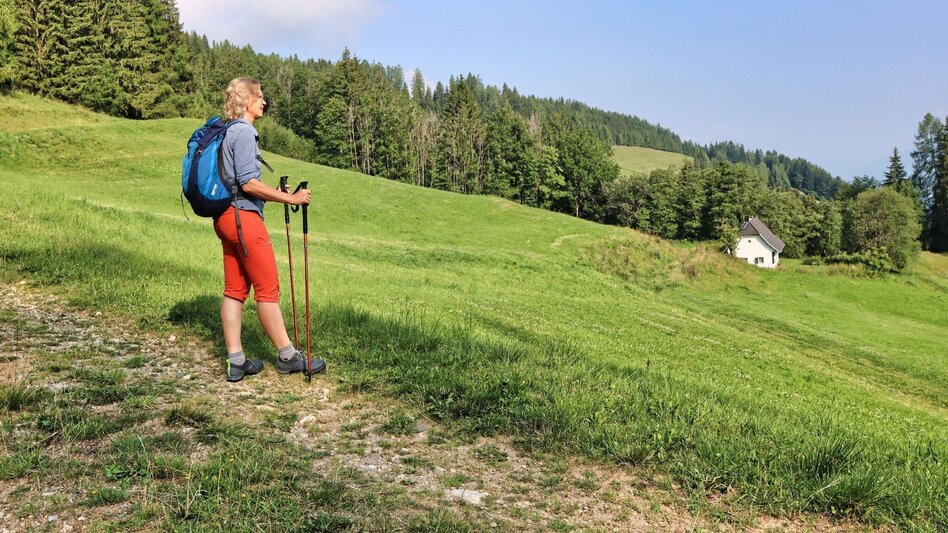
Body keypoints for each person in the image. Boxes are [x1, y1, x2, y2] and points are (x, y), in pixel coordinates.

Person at [215, 77, 326, 382]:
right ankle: (288, 357)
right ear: (247, 101)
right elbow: (248, 183)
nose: (264, 102)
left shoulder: (229, 131)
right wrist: (290, 198)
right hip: (244, 220)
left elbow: (241, 182)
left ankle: (236, 361)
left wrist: (274, 191)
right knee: (267, 288)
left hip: (226, 217)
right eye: (260, 97)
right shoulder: (244, 132)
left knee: (235, 289)